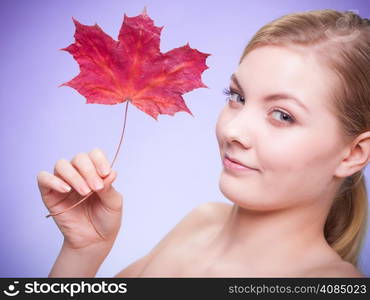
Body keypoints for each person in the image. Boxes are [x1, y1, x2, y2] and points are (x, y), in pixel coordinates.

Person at [37, 9, 370, 277]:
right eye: (237, 97)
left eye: (283, 115)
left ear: (353, 154)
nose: (233, 130)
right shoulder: (201, 221)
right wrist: (83, 252)